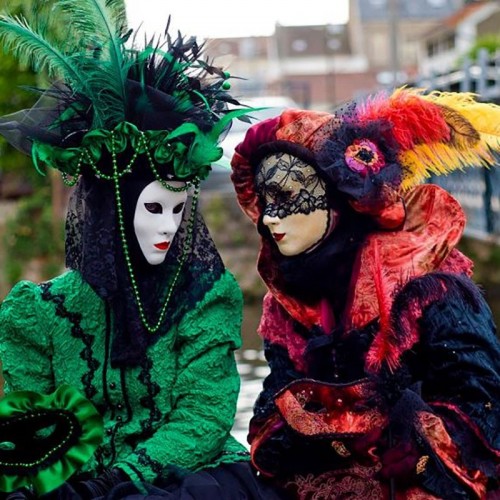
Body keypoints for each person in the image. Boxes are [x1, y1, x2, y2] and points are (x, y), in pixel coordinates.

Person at [0, 2, 279, 498]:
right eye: (153, 209)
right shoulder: (37, 315)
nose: (167, 227)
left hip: (188, 479)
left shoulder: (204, 298)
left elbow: (204, 417)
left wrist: (112, 482)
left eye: (177, 211)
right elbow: (34, 430)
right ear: (111, 213)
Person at [230, 90, 500, 499]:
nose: (270, 217)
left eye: (288, 198)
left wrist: (414, 448)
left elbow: (482, 405)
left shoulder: (427, 287)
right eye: (266, 201)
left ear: (338, 199)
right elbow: (272, 407)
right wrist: (312, 436)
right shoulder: (287, 304)